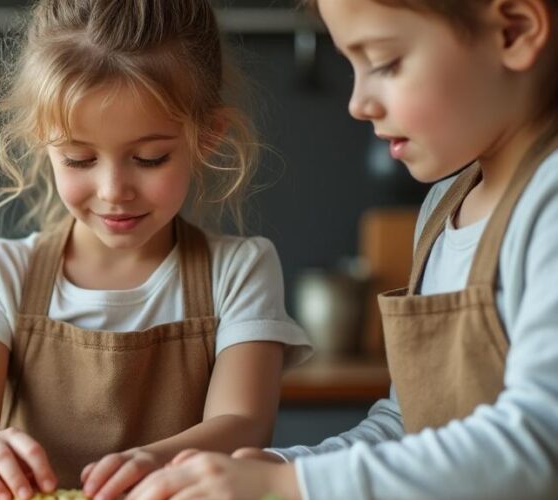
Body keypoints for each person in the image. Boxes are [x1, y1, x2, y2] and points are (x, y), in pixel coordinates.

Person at [129, 0, 558, 498]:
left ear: (513, 31)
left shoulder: (547, 202)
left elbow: (539, 443)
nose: (357, 103)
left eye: (384, 62)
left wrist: (292, 483)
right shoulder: (445, 205)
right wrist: (274, 467)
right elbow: (409, 426)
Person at [0, 1, 312, 499]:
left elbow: (244, 423)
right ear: (42, 142)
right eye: (79, 158)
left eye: (149, 158)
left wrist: (152, 462)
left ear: (208, 136)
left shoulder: (238, 270)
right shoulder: (2, 271)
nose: (113, 190)